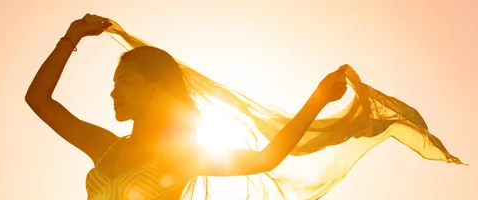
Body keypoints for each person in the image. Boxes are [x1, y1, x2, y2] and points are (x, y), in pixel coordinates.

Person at [25, 14, 349, 199]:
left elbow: (267, 157)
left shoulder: (179, 157)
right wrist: (72, 36)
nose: (112, 94)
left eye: (123, 82)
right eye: (113, 84)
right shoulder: (104, 146)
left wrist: (318, 98)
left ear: (154, 89)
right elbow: (38, 100)